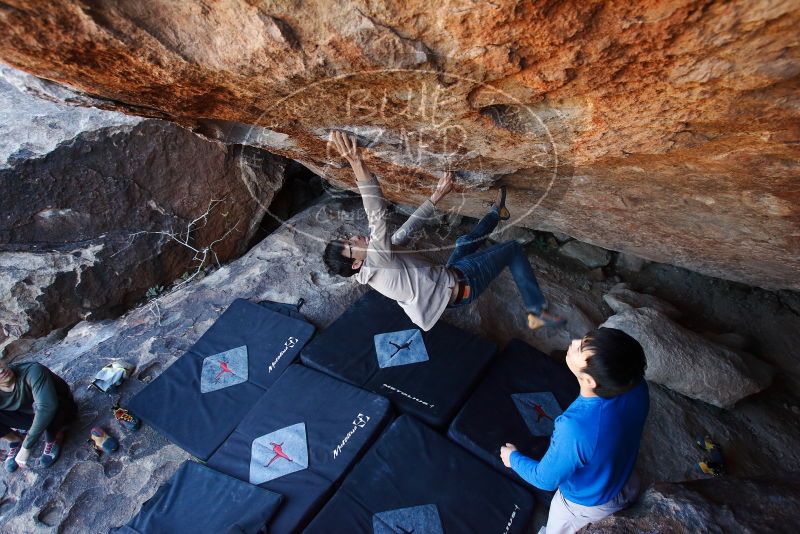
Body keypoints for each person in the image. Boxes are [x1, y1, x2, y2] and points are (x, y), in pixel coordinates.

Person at [322, 131, 565, 331]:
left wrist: (437, 196)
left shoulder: (376, 261)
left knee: (465, 242)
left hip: (449, 280)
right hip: (463, 283)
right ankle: (537, 311)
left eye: (348, 237)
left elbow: (405, 232)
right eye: (352, 245)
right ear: (355, 264)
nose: (355, 238)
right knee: (512, 249)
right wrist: (356, 162)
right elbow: (375, 213)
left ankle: (497, 212)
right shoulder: (377, 261)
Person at [499, 327, 649, 534]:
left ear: (590, 381)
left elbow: (545, 479)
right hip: (623, 476)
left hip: (587, 503)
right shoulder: (636, 385)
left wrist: (512, 459)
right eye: (585, 340)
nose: (575, 342)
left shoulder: (575, 427)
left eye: (580, 349)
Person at [0, 358, 78, 471]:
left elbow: (47, 407)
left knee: (40, 406)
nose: (1, 370)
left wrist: (26, 446)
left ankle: (54, 437)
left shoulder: (32, 370)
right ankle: (15, 439)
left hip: (60, 409)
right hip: (30, 416)